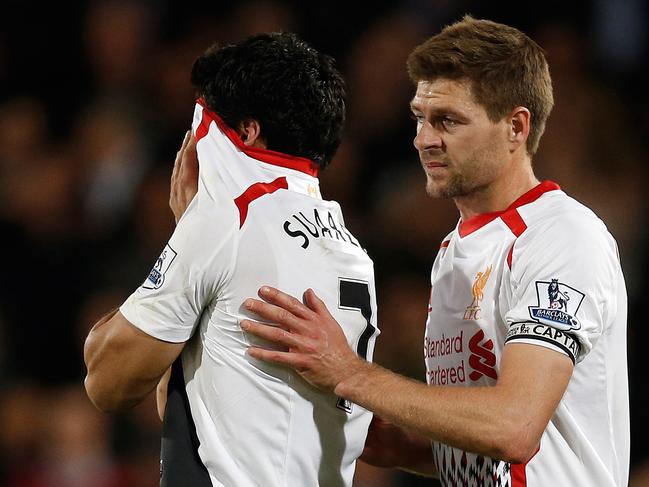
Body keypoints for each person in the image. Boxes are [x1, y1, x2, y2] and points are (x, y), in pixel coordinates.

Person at [239, 16, 630, 487]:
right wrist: (385, 436)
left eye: (448, 120)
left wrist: (352, 373)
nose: (424, 139)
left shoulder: (561, 237)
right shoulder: (454, 249)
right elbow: (485, 450)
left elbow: (514, 427)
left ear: (516, 127)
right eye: (420, 118)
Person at [83, 32, 380, 487]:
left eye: (202, 121)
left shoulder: (231, 220)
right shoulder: (353, 251)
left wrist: (187, 234)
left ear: (245, 131)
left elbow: (108, 381)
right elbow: (192, 415)